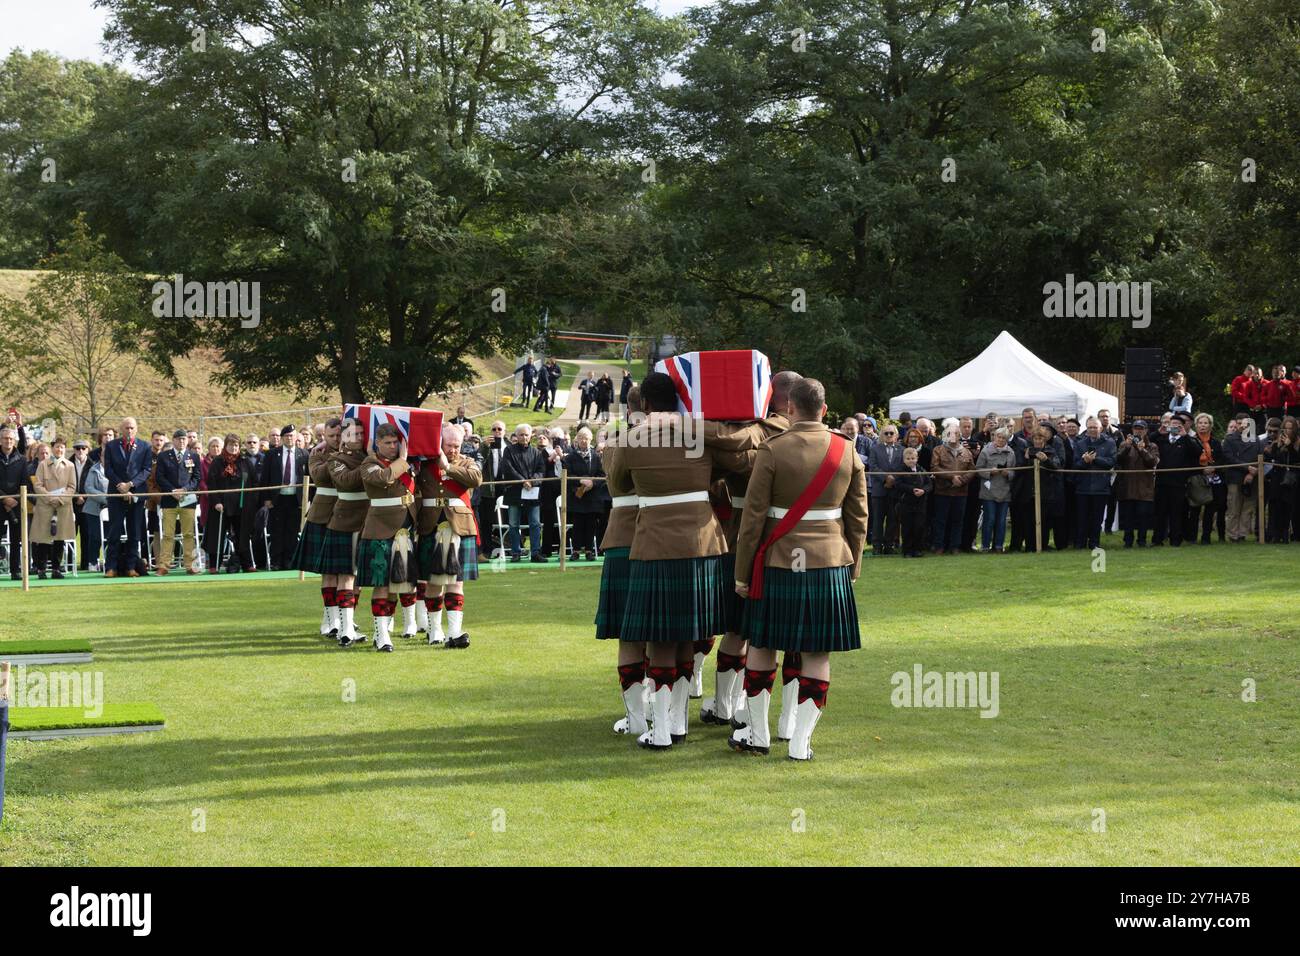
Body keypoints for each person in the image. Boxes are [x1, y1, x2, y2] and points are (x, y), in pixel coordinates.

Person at [605, 372, 754, 751]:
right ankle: (677, 723)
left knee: (659, 639)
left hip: (655, 546)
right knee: (689, 633)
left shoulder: (631, 437)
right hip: (703, 545)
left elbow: (620, 482)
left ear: (647, 404)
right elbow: (739, 453)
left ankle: (660, 730)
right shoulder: (701, 433)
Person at [730, 378, 867, 760]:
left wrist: (743, 574)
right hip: (829, 563)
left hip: (778, 561)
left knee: (761, 645)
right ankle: (800, 742)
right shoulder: (847, 450)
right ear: (824, 410)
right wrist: (852, 566)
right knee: (817, 653)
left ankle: (757, 735)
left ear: (789, 407)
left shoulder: (772, 449)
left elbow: (752, 519)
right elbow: (858, 518)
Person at [699, 370, 799, 731]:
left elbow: (732, 447)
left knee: (740, 628)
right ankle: (785, 722)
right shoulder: (823, 439)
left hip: (744, 539)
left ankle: (730, 706)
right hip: (796, 546)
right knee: (785, 635)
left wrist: (686, 424)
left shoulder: (761, 431)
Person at [416, 423, 482, 648]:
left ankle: (454, 632)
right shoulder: (424, 465)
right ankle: (434, 629)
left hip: (460, 527)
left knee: (457, 582)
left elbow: (476, 479)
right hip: (431, 525)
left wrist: (448, 466)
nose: (453, 449)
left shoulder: (467, 462)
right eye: (449, 445)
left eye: (456, 445)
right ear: (439, 443)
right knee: (434, 582)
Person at [355, 423, 420, 652]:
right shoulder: (369, 463)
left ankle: (399, 626)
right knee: (381, 585)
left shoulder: (409, 464)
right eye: (388, 443)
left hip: (404, 529)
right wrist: (403, 459)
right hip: (379, 530)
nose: (393, 447)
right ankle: (381, 635)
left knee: (400, 583)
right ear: (377, 444)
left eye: (396, 443)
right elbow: (384, 478)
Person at [292, 418, 343, 636]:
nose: (335, 439)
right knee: (328, 572)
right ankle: (329, 618)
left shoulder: (354, 454)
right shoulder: (316, 453)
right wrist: (338, 455)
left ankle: (344, 618)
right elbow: (320, 475)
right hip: (323, 514)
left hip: (348, 513)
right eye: (330, 436)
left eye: (339, 435)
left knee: (347, 573)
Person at [323, 419, 370, 645]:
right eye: (354, 434)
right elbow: (347, 481)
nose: (359, 438)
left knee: (357, 577)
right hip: (344, 522)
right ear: (344, 437)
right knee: (346, 575)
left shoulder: (369, 458)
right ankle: (344, 630)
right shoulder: (335, 460)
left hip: (367, 522)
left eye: (362, 433)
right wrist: (371, 461)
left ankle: (348, 625)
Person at [102, 417, 152, 577]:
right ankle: (111, 567)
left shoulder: (145, 446)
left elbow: (146, 470)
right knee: (114, 532)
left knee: (134, 532)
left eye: (132, 428)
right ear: (121, 429)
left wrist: (130, 485)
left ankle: (131, 567)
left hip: (136, 493)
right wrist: (121, 487)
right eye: (126, 428)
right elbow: (108, 470)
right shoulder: (111, 446)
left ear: (136, 429)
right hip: (116, 494)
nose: (129, 431)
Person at [204, 434, 258, 573]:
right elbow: (212, 484)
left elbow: (253, 483)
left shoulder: (246, 462)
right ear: (225, 446)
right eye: (230, 445)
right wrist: (216, 502)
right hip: (221, 506)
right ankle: (214, 565)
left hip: (241, 506)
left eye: (236, 445)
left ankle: (246, 563)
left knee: (242, 534)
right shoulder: (217, 462)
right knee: (217, 535)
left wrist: (250, 502)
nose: (233, 448)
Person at [259, 424, 307, 570]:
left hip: (295, 499)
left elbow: (308, 477)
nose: (289, 438)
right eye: (286, 436)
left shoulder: (304, 454)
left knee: (292, 532)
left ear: (296, 437)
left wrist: (305, 499)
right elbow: (265, 478)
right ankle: (276, 561)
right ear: (282, 438)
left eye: (292, 435)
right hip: (277, 498)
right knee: (277, 531)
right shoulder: (272, 454)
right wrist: (266, 498)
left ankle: (289, 561)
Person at [155, 427, 202, 575]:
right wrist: (172, 491)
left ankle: (190, 565)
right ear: (173, 440)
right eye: (178, 439)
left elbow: (197, 478)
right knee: (168, 535)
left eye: (184, 439)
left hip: (188, 499)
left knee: (188, 534)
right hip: (169, 500)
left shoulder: (194, 456)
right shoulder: (163, 456)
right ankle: (164, 566)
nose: (181, 441)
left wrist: (185, 490)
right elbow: (159, 477)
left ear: (187, 440)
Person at [30, 437, 76, 578]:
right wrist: (50, 498)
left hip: (62, 507)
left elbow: (72, 487)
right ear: (52, 448)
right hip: (45, 506)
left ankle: (56, 569)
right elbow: (37, 485)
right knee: (43, 539)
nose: (59, 449)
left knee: (59, 538)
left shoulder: (70, 466)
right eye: (57, 446)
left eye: (62, 447)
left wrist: (60, 500)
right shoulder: (43, 465)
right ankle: (41, 569)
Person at [501, 424, 545, 562]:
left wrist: (532, 481)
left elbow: (541, 471)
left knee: (535, 524)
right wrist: (522, 481)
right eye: (521, 435)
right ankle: (515, 553)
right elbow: (508, 468)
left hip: (532, 492)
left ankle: (535, 553)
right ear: (516, 436)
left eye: (526, 435)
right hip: (514, 492)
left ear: (530, 436)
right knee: (514, 524)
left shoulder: (537, 453)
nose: (524, 437)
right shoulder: (508, 450)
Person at [1072, 416, 1116, 551]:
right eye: (1090, 427)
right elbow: (1075, 465)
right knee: (1082, 518)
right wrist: (1085, 461)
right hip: (1083, 487)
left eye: (1095, 427)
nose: (1092, 429)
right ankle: (1080, 543)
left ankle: (1094, 543)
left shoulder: (1110, 443)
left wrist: (1095, 459)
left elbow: (1111, 463)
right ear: (1086, 428)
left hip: (1101, 487)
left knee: (1097, 519)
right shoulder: (1080, 444)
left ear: (1100, 428)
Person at [1152, 414, 1197, 547]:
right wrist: (1157, 432)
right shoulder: (1161, 439)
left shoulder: (1186, 440)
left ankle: (1175, 540)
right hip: (1161, 482)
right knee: (1160, 512)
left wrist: (1186, 436)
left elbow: (1196, 451)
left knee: (1176, 513)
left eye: (1178, 424)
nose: (1174, 426)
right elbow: (1147, 443)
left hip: (1178, 483)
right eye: (1172, 423)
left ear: (1182, 426)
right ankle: (1157, 540)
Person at [929, 424, 974, 554]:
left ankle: (955, 546)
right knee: (940, 520)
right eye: (950, 433)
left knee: (958, 521)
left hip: (961, 492)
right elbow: (934, 468)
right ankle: (939, 546)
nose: (953, 436)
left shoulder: (966, 452)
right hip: (942, 491)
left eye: (956, 433)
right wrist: (951, 477)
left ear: (960, 435)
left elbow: (972, 470)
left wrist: (962, 480)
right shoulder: (938, 450)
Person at [564, 427, 606, 560]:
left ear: (591, 439)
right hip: (576, 495)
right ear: (576, 439)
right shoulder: (570, 457)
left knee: (590, 524)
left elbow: (602, 475)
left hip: (592, 497)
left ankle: (589, 551)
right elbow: (567, 474)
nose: (584, 440)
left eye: (586, 438)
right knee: (577, 525)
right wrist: (580, 481)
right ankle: (575, 551)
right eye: (581, 437)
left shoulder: (596, 456)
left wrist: (592, 483)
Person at [1115, 420, 1159, 547]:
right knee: (1128, 517)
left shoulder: (1152, 446)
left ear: (1146, 431)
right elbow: (1118, 460)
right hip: (1127, 487)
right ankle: (1127, 542)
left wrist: (1142, 450)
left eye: (1141, 429)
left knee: (1143, 517)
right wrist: (1127, 447)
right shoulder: (1124, 444)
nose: (1138, 431)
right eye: (1136, 429)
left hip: (1145, 488)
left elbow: (1152, 462)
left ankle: (1142, 541)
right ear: (1132, 430)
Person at [1187, 413, 1225, 544]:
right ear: (1196, 425)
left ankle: (1206, 538)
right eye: (1200, 423)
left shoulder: (1216, 442)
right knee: (1195, 510)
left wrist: (1213, 468)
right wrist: (1201, 469)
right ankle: (1192, 538)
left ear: (1210, 425)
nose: (1203, 425)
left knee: (1210, 509)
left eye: (1205, 423)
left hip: (1214, 478)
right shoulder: (1190, 440)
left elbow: (1221, 460)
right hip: (1197, 478)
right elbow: (1188, 460)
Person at [975, 428, 1015, 552]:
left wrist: (1007, 474)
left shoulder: (1011, 453)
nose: (1000, 439)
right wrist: (989, 472)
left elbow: (1014, 472)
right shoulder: (985, 451)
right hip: (989, 491)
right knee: (990, 519)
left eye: (1003, 438)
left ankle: (998, 546)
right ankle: (985, 546)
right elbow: (978, 469)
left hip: (1005, 491)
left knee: (1001, 521)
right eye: (998, 437)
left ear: (1007, 439)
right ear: (994, 437)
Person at [867, 424, 904, 555]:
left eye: (891, 433)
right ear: (882, 434)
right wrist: (885, 478)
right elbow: (873, 466)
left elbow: (902, 468)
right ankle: (877, 546)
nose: (889, 435)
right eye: (886, 433)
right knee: (877, 520)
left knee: (893, 520)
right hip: (879, 490)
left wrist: (893, 480)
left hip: (895, 490)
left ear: (896, 435)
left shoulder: (902, 449)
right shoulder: (875, 449)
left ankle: (889, 546)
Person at [1263, 416, 1299, 544]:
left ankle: (1285, 535)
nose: (1288, 430)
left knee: (1287, 507)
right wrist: (1276, 447)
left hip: (1291, 479)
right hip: (1277, 478)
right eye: (1286, 428)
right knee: (1275, 507)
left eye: (1291, 428)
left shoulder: (1297, 443)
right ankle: (1274, 534)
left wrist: (1290, 447)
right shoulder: (1277, 442)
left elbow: (1295, 460)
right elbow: (1274, 458)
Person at [892, 447, 931, 557]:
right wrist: (911, 489)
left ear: (917, 458)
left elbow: (929, 484)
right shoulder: (900, 471)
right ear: (904, 460)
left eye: (913, 458)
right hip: (906, 503)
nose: (911, 460)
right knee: (907, 527)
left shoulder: (921, 470)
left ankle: (918, 549)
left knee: (919, 527)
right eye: (908, 458)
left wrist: (923, 490)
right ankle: (907, 550)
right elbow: (898, 484)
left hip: (920, 504)